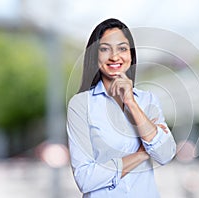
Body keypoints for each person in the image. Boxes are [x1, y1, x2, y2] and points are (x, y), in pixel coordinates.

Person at [66, 18, 176, 198]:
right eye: (105, 49)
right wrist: (140, 155)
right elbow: (84, 179)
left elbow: (165, 154)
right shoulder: (81, 105)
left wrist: (131, 103)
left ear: (131, 55)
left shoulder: (148, 101)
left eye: (122, 48)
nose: (115, 56)